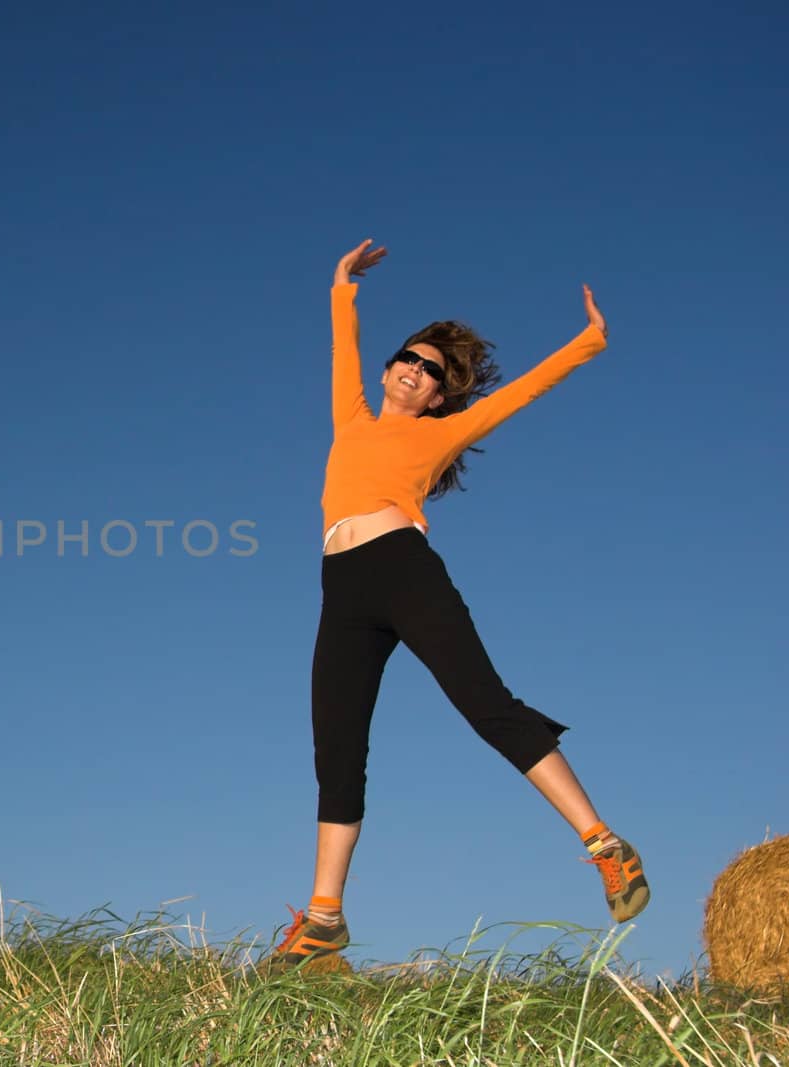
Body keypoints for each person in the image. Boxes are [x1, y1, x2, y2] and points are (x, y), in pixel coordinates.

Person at [273, 239, 649, 966]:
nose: (414, 370)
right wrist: (341, 286)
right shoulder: (351, 418)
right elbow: (339, 351)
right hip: (341, 588)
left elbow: (524, 389)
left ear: (441, 396)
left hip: (403, 569)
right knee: (337, 744)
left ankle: (606, 844)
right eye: (407, 359)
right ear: (390, 371)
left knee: (486, 704)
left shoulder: (444, 431)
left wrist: (590, 341)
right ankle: (323, 920)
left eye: (431, 371)